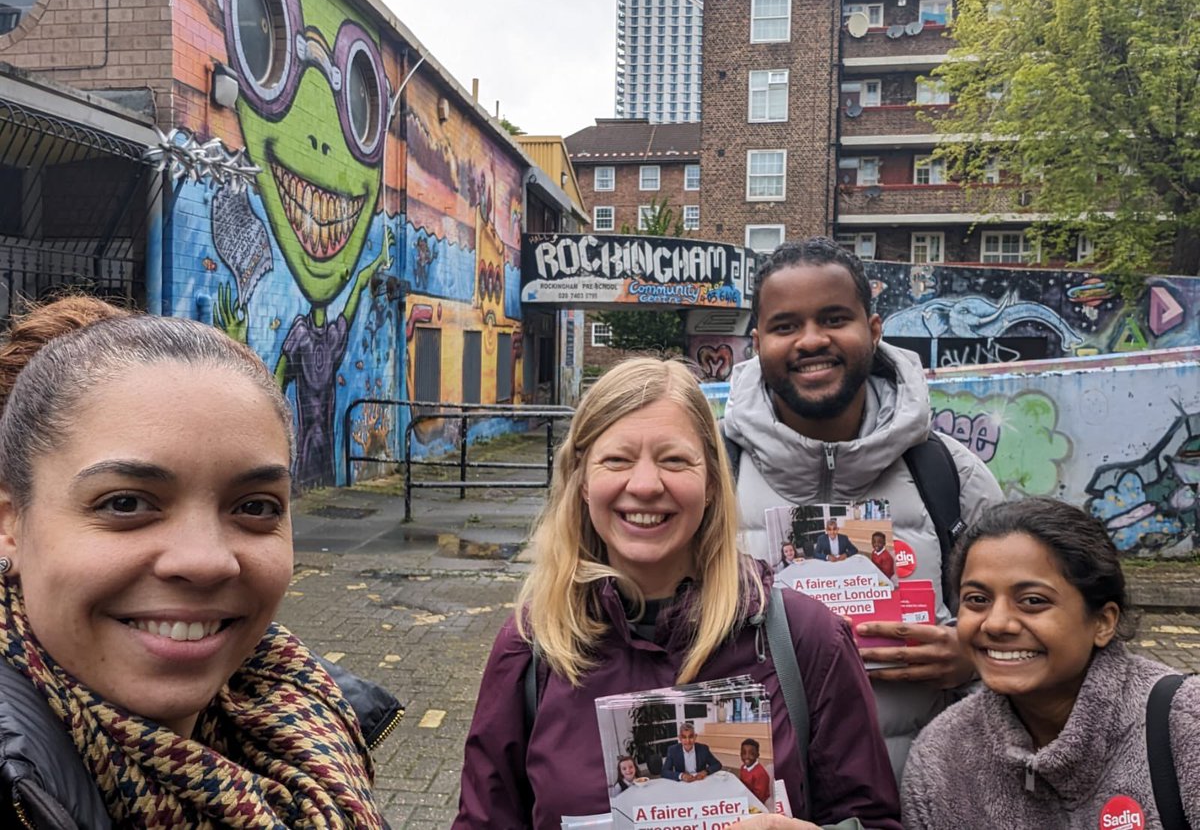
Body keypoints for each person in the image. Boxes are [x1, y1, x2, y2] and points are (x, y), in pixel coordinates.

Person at [0, 296, 397, 829]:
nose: (207, 561)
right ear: (10, 524)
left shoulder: (307, 725)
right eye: (126, 503)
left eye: (255, 507)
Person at [454, 358, 901, 829]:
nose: (645, 485)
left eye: (673, 460)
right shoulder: (531, 645)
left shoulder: (809, 639)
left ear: (710, 482)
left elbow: (874, 819)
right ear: (582, 480)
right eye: (617, 459)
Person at [721, 238, 1005, 779]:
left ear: (874, 330)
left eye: (834, 318)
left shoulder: (951, 476)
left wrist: (975, 658)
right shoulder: (709, 475)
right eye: (785, 326)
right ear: (756, 344)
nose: (811, 341)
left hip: (919, 801)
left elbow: (1025, 630)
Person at [902, 498, 1200, 828]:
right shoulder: (940, 758)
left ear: (1103, 622)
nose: (996, 623)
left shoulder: (1185, 728)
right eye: (977, 600)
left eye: (1032, 601)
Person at [738, 738, 772, 804]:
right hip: (746, 796)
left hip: (758, 802)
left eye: (752, 754)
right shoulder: (743, 767)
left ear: (757, 755)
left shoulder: (760, 774)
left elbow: (759, 798)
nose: (747, 756)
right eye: (744, 753)